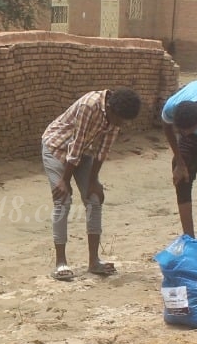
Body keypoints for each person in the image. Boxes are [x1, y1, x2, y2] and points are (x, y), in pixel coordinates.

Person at [42, 87, 142, 280]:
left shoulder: (116, 114)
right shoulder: (90, 105)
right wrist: (64, 181)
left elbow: (103, 150)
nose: (120, 124)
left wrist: (93, 180)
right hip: (56, 147)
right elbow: (76, 144)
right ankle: (60, 263)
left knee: (94, 199)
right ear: (111, 110)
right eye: (119, 120)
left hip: (83, 153)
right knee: (63, 201)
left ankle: (94, 261)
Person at [160, 79, 197, 238]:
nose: (183, 134)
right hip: (193, 137)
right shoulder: (171, 107)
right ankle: (188, 237)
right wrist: (180, 162)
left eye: (187, 131)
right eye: (180, 131)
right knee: (181, 177)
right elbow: (167, 127)